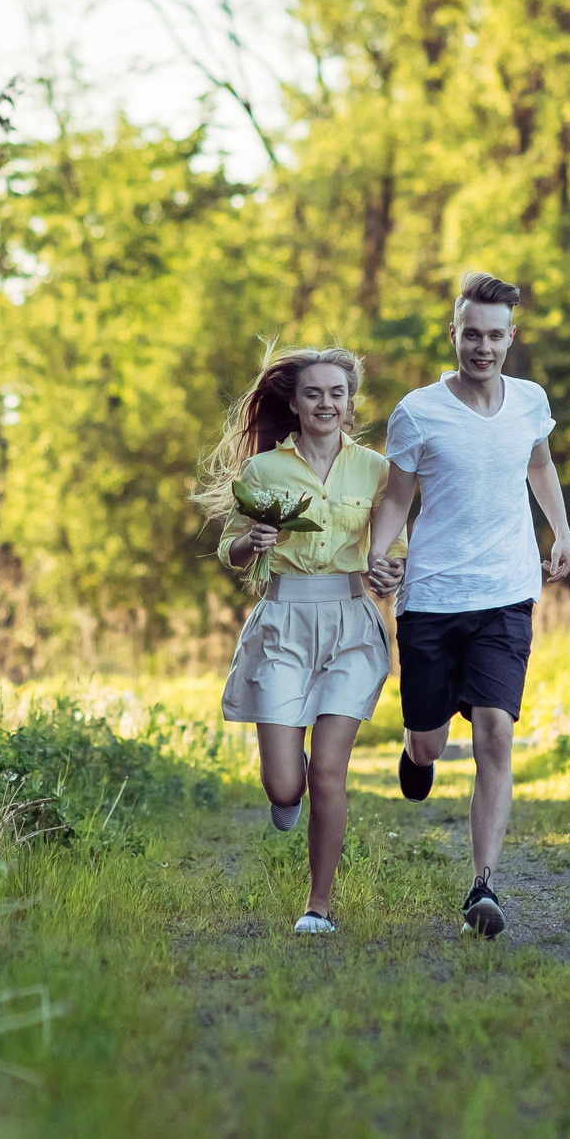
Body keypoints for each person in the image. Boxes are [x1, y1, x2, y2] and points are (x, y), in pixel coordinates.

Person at [365, 271, 570, 939]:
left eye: (494, 335)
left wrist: (563, 534)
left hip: (505, 594)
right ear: (453, 333)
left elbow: (539, 464)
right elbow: (398, 494)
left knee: (495, 731)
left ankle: (482, 885)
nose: (481, 346)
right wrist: (379, 548)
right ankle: (417, 747)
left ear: (510, 338)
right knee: (432, 742)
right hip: (430, 598)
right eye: (470, 334)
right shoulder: (418, 411)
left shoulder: (530, 402)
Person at [201, 347, 406, 936]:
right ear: (294, 402)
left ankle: (318, 905)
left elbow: (391, 549)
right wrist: (253, 542)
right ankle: (285, 787)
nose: (326, 404)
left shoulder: (376, 470)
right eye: (314, 393)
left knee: (329, 775)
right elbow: (229, 549)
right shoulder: (265, 472)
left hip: (350, 626)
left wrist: (390, 571)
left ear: (350, 402)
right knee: (286, 783)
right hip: (283, 626)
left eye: (337, 393)